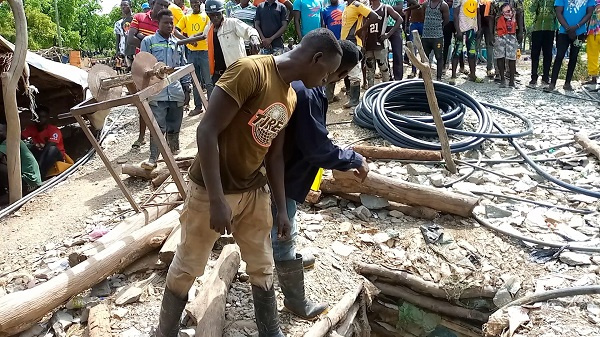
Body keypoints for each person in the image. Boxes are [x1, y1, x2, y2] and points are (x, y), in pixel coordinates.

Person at [153, 28, 343, 337]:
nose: (327, 80)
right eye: (328, 72)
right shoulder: (251, 71)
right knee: (189, 265)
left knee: (262, 263)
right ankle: (164, 332)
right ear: (316, 58)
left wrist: (281, 209)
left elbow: (275, 157)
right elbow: (207, 131)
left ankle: (270, 332)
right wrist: (216, 199)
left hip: (253, 191)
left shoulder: (291, 96)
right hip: (210, 190)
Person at [274, 40, 369, 321]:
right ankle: (295, 301)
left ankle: (280, 258)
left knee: (282, 221)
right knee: (282, 229)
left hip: (284, 169)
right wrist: (353, 159)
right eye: (341, 74)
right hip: (282, 173)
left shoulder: (307, 83)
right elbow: (316, 147)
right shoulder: (310, 91)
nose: (338, 80)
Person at [140, 9, 192, 169]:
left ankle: (174, 156)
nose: (170, 26)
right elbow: (142, 66)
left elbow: (182, 65)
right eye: (166, 23)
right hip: (157, 92)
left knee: (175, 124)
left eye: (172, 23)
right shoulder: (149, 42)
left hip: (175, 91)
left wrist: (186, 88)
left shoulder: (177, 43)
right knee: (158, 126)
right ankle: (153, 159)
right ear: (158, 23)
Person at [128, 0, 170, 150]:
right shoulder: (139, 17)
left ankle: (161, 138)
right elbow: (130, 39)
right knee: (143, 101)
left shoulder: (165, 21)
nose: (163, 8)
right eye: (161, 5)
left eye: (166, 6)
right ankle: (141, 137)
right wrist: (149, 43)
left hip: (161, 68)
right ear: (153, 4)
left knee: (162, 102)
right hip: (143, 68)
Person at [546, 0, 595, 91]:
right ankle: (552, 83)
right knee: (559, 56)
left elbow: (589, 13)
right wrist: (568, 28)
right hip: (563, 32)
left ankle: (567, 83)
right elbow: (558, 12)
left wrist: (577, 26)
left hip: (580, 32)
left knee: (574, 57)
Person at [340, 0, 380, 108]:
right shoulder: (347, 6)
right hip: (345, 42)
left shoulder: (357, 5)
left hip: (353, 42)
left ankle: (355, 100)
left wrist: (362, 29)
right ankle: (352, 98)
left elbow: (374, 16)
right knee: (348, 70)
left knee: (354, 72)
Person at [177, 0, 212, 116]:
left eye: (196, 2)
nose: (194, 5)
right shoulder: (186, 17)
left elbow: (207, 32)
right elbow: (175, 31)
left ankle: (211, 106)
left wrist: (193, 39)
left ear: (200, 3)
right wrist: (188, 41)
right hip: (191, 53)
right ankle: (198, 107)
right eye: (192, 2)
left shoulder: (206, 16)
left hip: (205, 52)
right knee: (196, 81)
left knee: (208, 81)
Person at [21, 107, 67, 179]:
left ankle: (41, 175)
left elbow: (48, 147)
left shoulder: (54, 130)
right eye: (38, 116)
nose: (40, 119)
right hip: (41, 154)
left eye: (43, 117)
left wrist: (40, 162)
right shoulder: (31, 128)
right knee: (28, 147)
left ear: (47, 118)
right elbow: (20, 138)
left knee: (52, 149)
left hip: (55, 156)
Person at [364, 0, 402, 88]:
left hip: (380, 45)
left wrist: (388, 34)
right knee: (370, 71)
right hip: (369, 45)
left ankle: (386, 90)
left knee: (384, 69)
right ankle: (370, 92)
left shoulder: (385, 8)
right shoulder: (367, 9)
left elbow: (400, 19)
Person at [0, 125, 42, 197]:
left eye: (0, 131)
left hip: (29, 181)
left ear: (7, 132)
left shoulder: (8, 142)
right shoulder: (14, 140)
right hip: (33, 180)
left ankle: (13, 192)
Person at [449, 0, 482, 85]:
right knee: (457, 52)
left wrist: (479, 28)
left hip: (472, 30)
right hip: (461, 30)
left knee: (472, 53)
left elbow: (478, 14)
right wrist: (458, 30)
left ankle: (473, 75)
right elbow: (455, 15)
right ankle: (453, 76)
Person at [529, 0, 558, 87]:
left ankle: (546, 76)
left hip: (549, 28)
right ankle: (534, 76)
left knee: (548, 53)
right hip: (537, 28)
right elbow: (531, 10)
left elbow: (557, 12)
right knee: (535, 53)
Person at [322, 0, 346, 102]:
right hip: (332, 44)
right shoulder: (324, 11)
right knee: (332, 69)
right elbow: (324, 27)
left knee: (345, 67)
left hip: (344, 41)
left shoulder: (344, 7)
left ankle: (349, 93)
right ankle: (329, 96)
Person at [421, 0, 449, 81]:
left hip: (437, 36)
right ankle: (422, 77)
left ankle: (438, 78)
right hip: (426, 36)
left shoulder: (443, 5)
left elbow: (446, 20)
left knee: (439, 57)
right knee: (424, 57)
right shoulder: (425, 4)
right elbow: (423, 17)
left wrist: (438, 27)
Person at [494, 2, 518, 87]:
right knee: (500, 57)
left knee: (512, 58)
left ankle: (511, 80)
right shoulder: (496, 8)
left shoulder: (515, 9)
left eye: (509, 11)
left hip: (512, 35)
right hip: (499, 35)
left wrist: (521, 33)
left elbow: (520, 20)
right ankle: (502, 79)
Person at [381, 0, 405, 80]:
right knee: (383, 54)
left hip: (395, 26)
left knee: (397, 53)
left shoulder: (384, 6)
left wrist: (385, 7)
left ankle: (398, 79)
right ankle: (388, 77)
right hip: (382, 26)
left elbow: (400, 7)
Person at [404, 0, 426, 77]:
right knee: (413, 48)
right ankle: (413, 70)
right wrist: (406, 24)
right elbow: (408, 11)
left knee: (424, 48)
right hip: (414, 23)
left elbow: (419, 6)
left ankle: (423, 70)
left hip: (424, 23)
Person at [586, 0, 600, 84]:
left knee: (592, 54)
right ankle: (593, 77)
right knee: (592, 55)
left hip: (594, 30)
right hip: (592, 30)